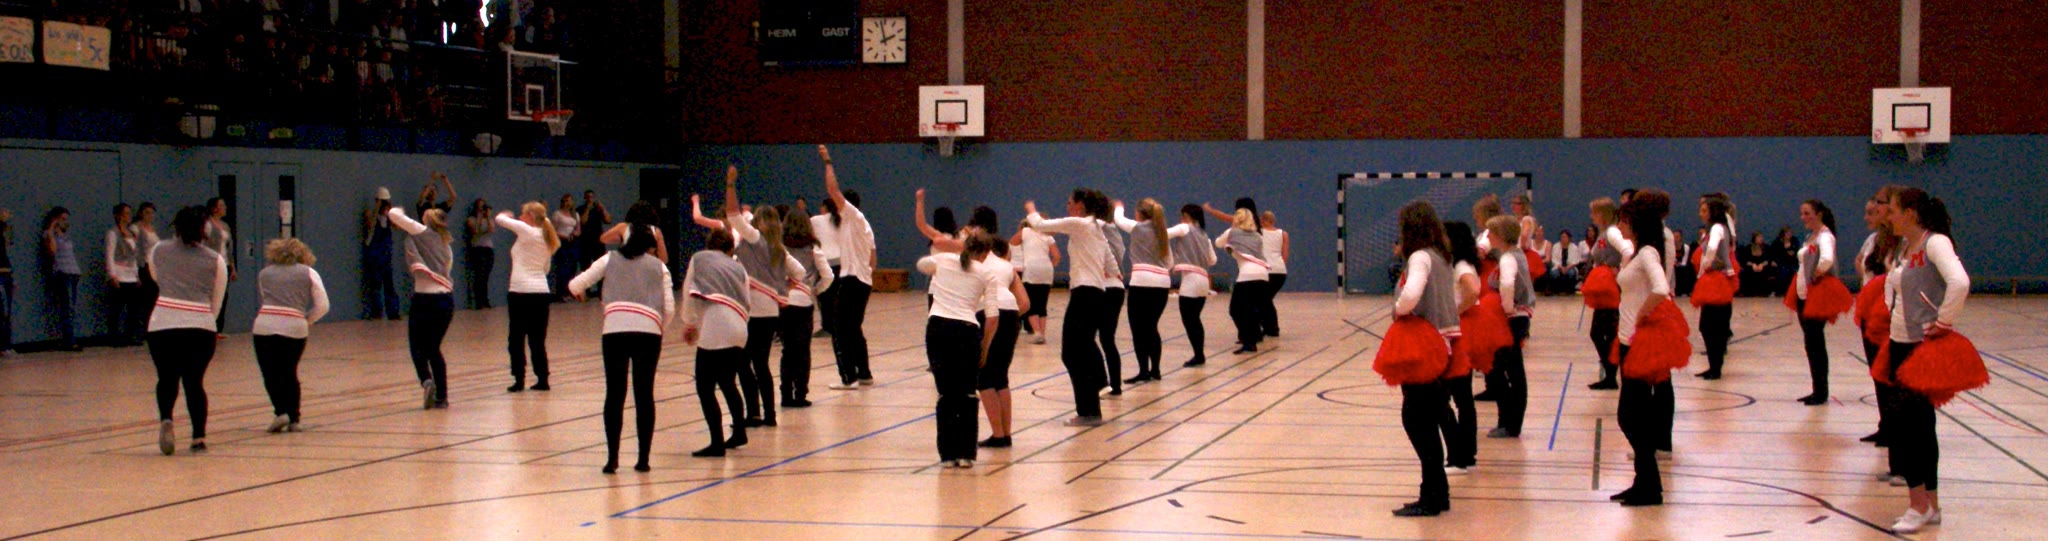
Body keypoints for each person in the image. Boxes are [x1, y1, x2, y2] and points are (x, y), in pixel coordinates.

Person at [1880, 188, 1969, 533]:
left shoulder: (1935, 243)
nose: (1889, 216)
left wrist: (1943, 322)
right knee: (1917, 425)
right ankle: (1930, 504)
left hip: (1920, 347)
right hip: (1899, 343)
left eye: (1893, 210)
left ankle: (1918, 505)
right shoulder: (1905, 247)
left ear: (1911, 212)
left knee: (1909, 428)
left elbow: (1959, 282)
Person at [694, 166, 804, 427]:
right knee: (761, 364)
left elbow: (733, 215)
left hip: (753, 309)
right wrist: (782, 287)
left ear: (762, 223)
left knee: (743, 363)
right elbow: (800, 273)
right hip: (771, 311)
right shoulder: (779, 249)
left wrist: (731, 185)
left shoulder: (756, 239)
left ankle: (753, 413)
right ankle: (770, 414)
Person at [568, 220, 674, 473]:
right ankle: (643, 459)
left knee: (615, 394)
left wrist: (580, 294)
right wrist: (658, 326)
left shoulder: (609, 259)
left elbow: (575, 285)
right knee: (644, 394)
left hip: (614, 329)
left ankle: (612, 459)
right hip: (649, 331)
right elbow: (669, 307)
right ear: (649, 245)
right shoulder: (659, 266)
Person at [1382, 201, 1456, 517]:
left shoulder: (1420, 257)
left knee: (1417, 421)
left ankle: (1432, 497)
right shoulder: (1440, 255)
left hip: (1425, 344)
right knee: (1429, 418)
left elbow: (1411, 295)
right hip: (1443, 344)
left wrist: (1399, 309)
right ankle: (1437, 493)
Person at [1611, 190, 1683, 507]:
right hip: (1627, 340)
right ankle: (1645, 483)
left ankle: (1650, 485)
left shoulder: (1648, 254)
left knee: (1630, 417)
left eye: (1624, 221)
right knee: (1632, 415)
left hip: (1638, 342)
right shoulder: (1637, 253)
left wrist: (1643, 314)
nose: (1620, 226)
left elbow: (1661, 288)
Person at [1025, 188, 1116, 426]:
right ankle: (1093, 400)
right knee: (1080, 350)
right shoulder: (1095, 228)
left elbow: (1040, 225)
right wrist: (1114, 272)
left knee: (1073, 353)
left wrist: (1031, 210)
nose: (1067, 206)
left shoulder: (1082, 224)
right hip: (1094, 293)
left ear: (1080, 205)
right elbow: (1109, 259)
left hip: (1085, 293)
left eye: (1069, 202)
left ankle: (1089, 410)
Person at [147, 206, 228, 454]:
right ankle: (198, 437)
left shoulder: (158, 250)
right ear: (204, 229)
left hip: (162, 323)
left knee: (166, 378)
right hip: (199, 325)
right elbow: (217, 299)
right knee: (194, 382)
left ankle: (166, 419)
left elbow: (156, 277)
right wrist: (206, 319)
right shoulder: (215, 260)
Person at [678, 228, 751, 458]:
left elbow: (688, 291)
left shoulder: (699, 258)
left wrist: (690, 323)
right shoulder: (738, 267)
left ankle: (717, 442)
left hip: (716, 327)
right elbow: (747, 300)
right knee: (728, 383)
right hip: (739, 326)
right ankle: (739, 431)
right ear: (730, 248)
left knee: (705, 387)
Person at [252, 238, 329, 433]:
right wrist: (307, 319)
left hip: (265, 325)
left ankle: (280, 412)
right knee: (289, 372)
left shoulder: (264, 273)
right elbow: (323, 305)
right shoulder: (309, 272)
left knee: (270, 372)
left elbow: (265, 299)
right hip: (294, 326)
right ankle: (294, 418)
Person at [819, 146, 879, 390]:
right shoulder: (864, 226)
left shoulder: (853, 216)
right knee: (854, 329)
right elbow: (873, 260)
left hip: (852, 279)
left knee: (839, 329)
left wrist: (827, 161)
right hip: (863, 281)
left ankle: (849, 377)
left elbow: (832, 189)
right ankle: (864, 373)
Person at [388, 205, 455, 409]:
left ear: (428, 220)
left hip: (425, 299)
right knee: (433, 348)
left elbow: (393, 214)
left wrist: (399, 209)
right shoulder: (446, 244)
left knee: (416, 345)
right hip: (445, 300)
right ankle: (442, 396)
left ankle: (426, 380)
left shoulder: (422, 232)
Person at [1857, 186, 1905, 451]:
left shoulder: (1901, 241)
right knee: (1877, 372)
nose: (1875, 208)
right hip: (1870, 310)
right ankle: (1886, 425)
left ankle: (1896, 430)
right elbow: (1861, 264)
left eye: (1881, 203)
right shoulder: (1876, 239)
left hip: (1888, 314)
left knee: (1890, 374)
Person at [1113, 200, 1182, 384]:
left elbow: (1118, 219)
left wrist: (1119, 206)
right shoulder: (1162, 232)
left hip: (1141, 281)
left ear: (1140, 213)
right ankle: (1156, 370)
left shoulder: (1136, 228)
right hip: (1162, 283)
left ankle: (1144, 370)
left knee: (1138, 329)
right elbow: (1169, 263)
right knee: (1151, 327)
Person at [495, 202, 561, 393]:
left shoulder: (528, 231)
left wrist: (506, 213)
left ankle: (519, 379)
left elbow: (500, 219)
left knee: (516, 338)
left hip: (520, 292)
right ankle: (542, 378)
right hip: (541, 292)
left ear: (531, 216)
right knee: (537, 340)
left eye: (523, 214)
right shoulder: (547, 239)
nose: (520, 217)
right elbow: (545, 269)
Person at [1789, 200, 1850, 405]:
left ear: (1819, 214)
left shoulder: (1825, 236)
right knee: (1811, 343)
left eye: (1807, 213)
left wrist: (1816, 273)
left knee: (1815, 343)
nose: (1803, 217)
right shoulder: (1811, 236)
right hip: (1803, 293)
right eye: (1802, 213)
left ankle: (1821, 391)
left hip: (1816, 295)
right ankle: (1817, 388)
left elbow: (1827, 259)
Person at [1438, 221, 1487, 476]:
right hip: (1461, 329)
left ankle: (1460, 455)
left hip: (1460, 332)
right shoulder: (1457, 264)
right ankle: (1465, 453)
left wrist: (1455, 312)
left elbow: (1473, 290)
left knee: (1455, 396)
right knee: (1462, 398)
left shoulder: (1461, 266)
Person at [1483, 215, 1534, 438]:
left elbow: (1506, 283)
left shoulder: (1509, 258)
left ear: (1501, 235)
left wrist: (1507, 308)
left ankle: (1511, 424)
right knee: (1507, 370)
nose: (1488, 236)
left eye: (1491, 232)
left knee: (1507, 371)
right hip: (1514, 318)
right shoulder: (1512, 254)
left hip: (1513, 319)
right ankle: (1509, 422)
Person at [779, 209, 834, 408]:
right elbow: (828, 276)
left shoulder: (779, 246)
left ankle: (786, 394)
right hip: (803, 302)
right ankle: (800, 393)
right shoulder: (813, 248)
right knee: (802, 350)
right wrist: (816, 290)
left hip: (783, 302)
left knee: (787, 350)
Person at [1209, 205, 1271, 355]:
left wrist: (1231, 234)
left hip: (1247, 274)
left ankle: (1248, 340)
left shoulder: (1232, 232)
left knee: (1235, 310)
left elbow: (1218, 243)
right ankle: (1253, 339)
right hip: (1263, 274)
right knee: (1252, 310)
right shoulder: (1258, 235)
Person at [1583, 198, 1630, 390]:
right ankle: (1610, 373)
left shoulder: (1612, 232)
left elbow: (1628, 251)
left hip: (1611, 287)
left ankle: (1612, 373)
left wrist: (1620, 270)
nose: (1591, 216)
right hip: (1602, 286)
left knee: (1606, 333)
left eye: (1594, 213)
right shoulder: (1604, 233)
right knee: (1600, 333)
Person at [1692, 193, 1737, 380]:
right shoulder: (1718, 227)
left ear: (1713, 212)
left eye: (1704, 210)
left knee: (1710, 327)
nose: (1700, 214)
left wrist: (1706, 264)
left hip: (1716, 281)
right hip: (1716, 279)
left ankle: (1715, 367)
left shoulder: (1718, 228)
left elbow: (1711, 248)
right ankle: (1714, 365)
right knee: (1710, 326)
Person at [1170, 205, 1216, 367]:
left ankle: (1198, 355)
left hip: (1190, 280)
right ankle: (1199, 354)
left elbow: (1165, 234)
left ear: (1187, 215)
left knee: (1189, 320)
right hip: (1204, 280)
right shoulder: (1204, 235)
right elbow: (1213, 260)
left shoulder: (1184, 228)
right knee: (1195, 320)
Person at [1010, 219, 1059, 345]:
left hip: (1031, 269)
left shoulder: (1025, 231)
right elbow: (1057, 256)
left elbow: (1012, 242)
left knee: (1031, 303)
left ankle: (1037, 333)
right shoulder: (1048, 237)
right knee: (1042, 304)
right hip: (1047, 270)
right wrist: (1050, 266)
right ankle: (1042, 334)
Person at [42, 206, 83, 351]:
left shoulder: (66, 235)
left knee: (72, 306)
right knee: (66, 306)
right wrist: (52, 228)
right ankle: (69, 339)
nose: (65, 222)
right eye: (62, 219)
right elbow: (52, 251)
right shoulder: (49, 234)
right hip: (62, 272)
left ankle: (71, 336)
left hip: (73, 271)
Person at [105, 204, 145, 346]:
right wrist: (112, 275)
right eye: (125, 213)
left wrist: (137, 275)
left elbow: (134, 257)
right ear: (118, 215)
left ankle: (130, 335)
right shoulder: (113, 233)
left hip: (131, 275)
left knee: (133, 309)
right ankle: (114, 337)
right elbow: (109, 255)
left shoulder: (131, 234)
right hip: (119, 274)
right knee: (116, 309)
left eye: (129, 213)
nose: (128, 216)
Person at [362, 188, 402, 320]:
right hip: (375, 254)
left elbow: (397, 227)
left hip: (386, 254)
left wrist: (390, 212)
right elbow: (370, 225)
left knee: (389, 284)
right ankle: (376, 312)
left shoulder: (388, 216)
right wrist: (377, 209)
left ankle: (393, 312)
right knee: (375, 284)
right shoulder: (370, 213)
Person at [203, 198, 237, 336]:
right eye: (221, 205)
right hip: (212, 264)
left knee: (223, 295)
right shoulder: (208, 224)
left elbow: (229, 248)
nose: (224, 208)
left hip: (225, 264)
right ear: (214, 208)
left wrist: (233, 267)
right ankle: (209, 327)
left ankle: (219, 328)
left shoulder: (225, 226)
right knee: (212, 295)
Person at [811, 200, 844, 338]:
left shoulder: (815, 220)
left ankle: (827, 326)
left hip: (824, 261)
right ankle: (838, 325)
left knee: (824, 296)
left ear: (824, 207)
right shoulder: (840, 220)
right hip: (841, 261)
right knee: (837, 296)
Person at [132, 203, 161, 342]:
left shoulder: (153, 229)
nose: (150, 216)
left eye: (152, 213)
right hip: (143, 266)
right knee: (142, 300)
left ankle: (150, 330)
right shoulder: (136, 228)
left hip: (153, 266)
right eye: (147, 212)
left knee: (153, 299)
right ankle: (138, 332)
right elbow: (135, 249)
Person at [1259, 211, 1289, 338]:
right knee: (1266, 300)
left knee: (1262, 300)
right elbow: (1285, 254)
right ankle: (1269, 327)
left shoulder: (1258, 232)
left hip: (1265, 270)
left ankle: (1271, 328)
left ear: (1263, 220)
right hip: (1280, 271)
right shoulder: (1283, 234)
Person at [463, 198, 495, 310]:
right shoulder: (471, 219)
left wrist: (488, 216)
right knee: (479, 276)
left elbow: (491, 230)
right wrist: (479, 217)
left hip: (488, 248)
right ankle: (478, 301)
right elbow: (475, 231)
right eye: (480, 207)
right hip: (477, 248)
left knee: (486, 276)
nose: (482, 209)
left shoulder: (488, 220)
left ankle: (485, 299)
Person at [550, 194, 581, 300]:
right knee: (563, 267)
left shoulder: (575, 214)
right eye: (566, 201)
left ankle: (570, 291)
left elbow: (578, 229)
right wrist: (564, 236)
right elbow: (552, 230)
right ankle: (561, 292)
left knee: (572, 266)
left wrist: (574, 234)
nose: (567, 203)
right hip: (562, 242)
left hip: (573, 242)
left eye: (569, 201)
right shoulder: (557, 214)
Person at [577, 189, 613, 269]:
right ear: (585, 198)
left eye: (591, 197)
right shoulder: (580, 209)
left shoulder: (598, 209)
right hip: (585, 241)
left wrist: (603, 209)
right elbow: (582, 222)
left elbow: (608, 220)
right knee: (585, 266)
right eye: (588, 197)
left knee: (600, 264)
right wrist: (587, 209)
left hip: (598, 240)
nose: (590, 199)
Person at [1740, 232, 1776, 297]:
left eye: (1761, 237)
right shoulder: (1748, 247)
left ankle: (1764, 291)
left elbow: (1768, 259)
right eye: (1759, 237)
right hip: (1752, 266)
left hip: (1763, 266)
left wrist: (1762, 265)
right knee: (1749, 272)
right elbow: (1744, 260)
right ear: (1754, 238)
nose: (1761, 239)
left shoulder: (1766, 247)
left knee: (1765, 271)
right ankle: (1750, 292)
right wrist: (1753, 264)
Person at [0, 208, 13, 356]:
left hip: (7, 272)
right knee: (2, 310)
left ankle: (7, 344)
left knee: (7, 311)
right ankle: (3, 346)